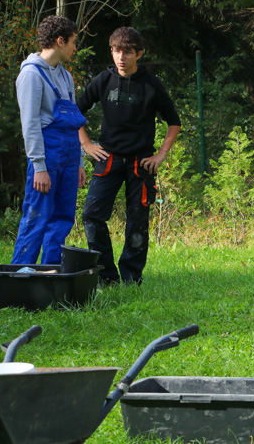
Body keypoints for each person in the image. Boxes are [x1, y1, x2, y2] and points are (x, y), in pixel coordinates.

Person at [77, 27, 181, 285]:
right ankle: (106, 276)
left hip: (141, 164)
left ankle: (132, 277)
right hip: (107, 159)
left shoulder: (151, 85)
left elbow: (174, 122)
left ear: (139, 54)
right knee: (91, 215)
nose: (121, 57)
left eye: (127, 52)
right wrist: (86, 144)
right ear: (111, 51)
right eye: (116, 51)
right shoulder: (102, 80)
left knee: (137, 220)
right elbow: (74, 112)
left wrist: (161, 155)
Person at [12, 15, 87, 265]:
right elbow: (30, 124)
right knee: (37, 215)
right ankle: (20, 274)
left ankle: (51, 273)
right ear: (59, 40)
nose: (75, 48)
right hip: (47, 155)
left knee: (64, 216)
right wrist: (40, 167)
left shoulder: (66, 76)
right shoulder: (31, 74)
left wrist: (79, 162)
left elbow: (74, 121)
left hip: (68, 153)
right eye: (73, 42)